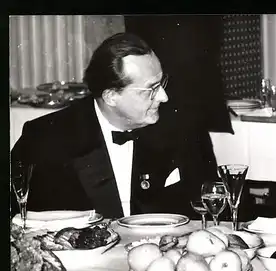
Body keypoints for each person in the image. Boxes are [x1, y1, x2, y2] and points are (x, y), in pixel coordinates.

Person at [10, 32, 218, 219]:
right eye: (150, 89)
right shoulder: (45, 138)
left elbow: (214, 207)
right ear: (111, 96)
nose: (164, 97)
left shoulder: (185, 128)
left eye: (161, 83)